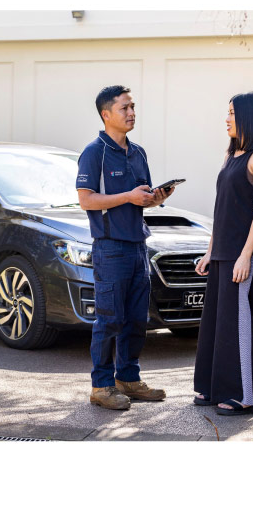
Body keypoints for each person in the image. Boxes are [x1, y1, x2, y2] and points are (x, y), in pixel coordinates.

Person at [74, 85, 175, 410]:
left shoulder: (139, 152)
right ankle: (101, 386)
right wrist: (128, 196)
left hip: (137, 247)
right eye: (124, 108)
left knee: (135, 319)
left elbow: (139, 198)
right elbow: (86, 199)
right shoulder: (95, 152)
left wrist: (154, 198)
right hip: (110, 248)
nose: (131, 113)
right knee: (109, 319)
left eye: (133, 107)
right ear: (106, 115)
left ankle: (128, 379)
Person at [191, 92, 253, 416]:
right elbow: (222, 210)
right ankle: (214, 388)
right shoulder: (232, 157)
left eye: (231, 113)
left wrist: (245, 255)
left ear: (248, 116)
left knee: (239, 327)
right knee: (217, 325)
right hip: (223, 253)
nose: (226, 119)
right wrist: (209, 253)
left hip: (245, 256)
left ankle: (244, 397)